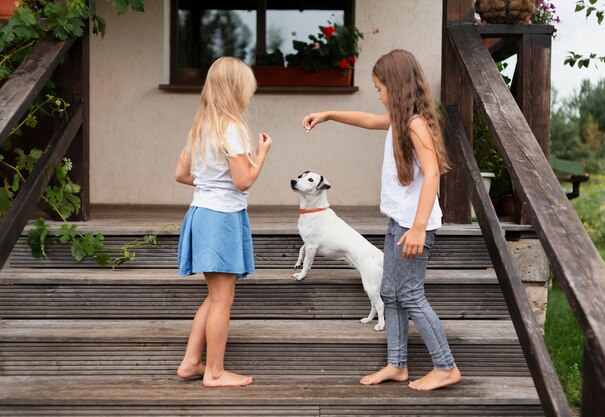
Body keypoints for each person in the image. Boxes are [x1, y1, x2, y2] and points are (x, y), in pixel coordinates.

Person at [302, 49, 461, 391]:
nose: (377, 95)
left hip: (412, 227)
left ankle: (446, 366)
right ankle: (397, 365)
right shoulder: (400, 121)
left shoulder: (416, 124)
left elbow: (432, 173)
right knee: (390, 292)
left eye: (379, 87)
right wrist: (328, 114)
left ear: (395, 86)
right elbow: (367, 119)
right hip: (398, 222)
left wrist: (419, 227)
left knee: (410, 294)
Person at [174, 57, 272, 388]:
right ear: (236, 90)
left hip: (201, 213)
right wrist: (261, 155)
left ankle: (190, 362)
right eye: (247, 89)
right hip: (222, 218)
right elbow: (243, 181)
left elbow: (181, 174)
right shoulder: (233, 128)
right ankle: (215, 372)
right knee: (222, 301)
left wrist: (209, 184)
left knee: (215, 297)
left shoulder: (201, 126)